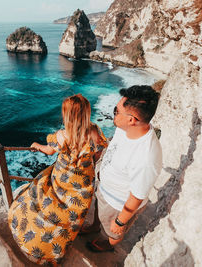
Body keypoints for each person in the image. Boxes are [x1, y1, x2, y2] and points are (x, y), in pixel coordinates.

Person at [8, 94, 108, 265]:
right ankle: (62, 241)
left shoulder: (62, 135)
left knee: (46, 201)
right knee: (72, 213)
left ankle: (41, 241)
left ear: (67, 116)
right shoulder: (94, 131)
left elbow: (48, 151)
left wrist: (36, 146)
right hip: (84, 179)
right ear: (86, 113)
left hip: (63, 178)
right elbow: (98, 153)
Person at [84, 85, 162, 252]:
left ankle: (106, 245)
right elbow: (114, 145)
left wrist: (120, 222)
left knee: (112, 231)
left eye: (116, 111)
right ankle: (95, 226)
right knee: (100, 214)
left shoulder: (146, 157)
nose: (114, 114)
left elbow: (137, 196)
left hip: (117, 204)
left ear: (131, 119)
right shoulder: (126, 128)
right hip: (104, 189)